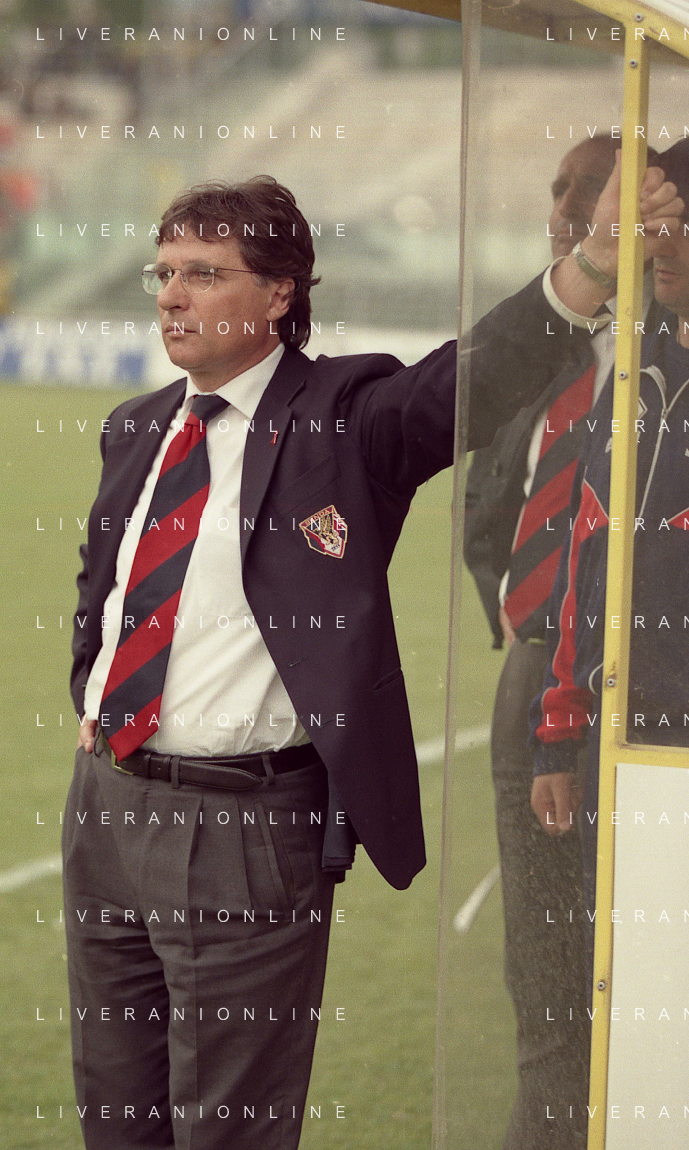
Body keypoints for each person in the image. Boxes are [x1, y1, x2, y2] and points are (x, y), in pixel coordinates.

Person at [63, 174, 679, 1150]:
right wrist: (93, 695)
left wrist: (595, 262)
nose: (171, 296)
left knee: (228, 1129)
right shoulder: (137, 426)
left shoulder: (344, 418)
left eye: (204, 274)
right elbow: (101, 584)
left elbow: (469, 379)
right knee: (116, 1114)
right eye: (164, 272)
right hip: (104, 807)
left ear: (279, 293)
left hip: (242, 829)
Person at [464, 135, 645, 1150]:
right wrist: (521, 619)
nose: (567, 209)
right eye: (561, 190)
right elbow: (484, 506)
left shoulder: (662, 358)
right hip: (535, 682)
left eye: (593, 191)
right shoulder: (537, 355)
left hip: (647, 684)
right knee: (545, 970)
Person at [530, 141, 689, 960]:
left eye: (685, 225)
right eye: (659, 223)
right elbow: (582, 562)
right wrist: (559, 732)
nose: (667, 243)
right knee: (628, 984)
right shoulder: (635, 370)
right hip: (616, 744)